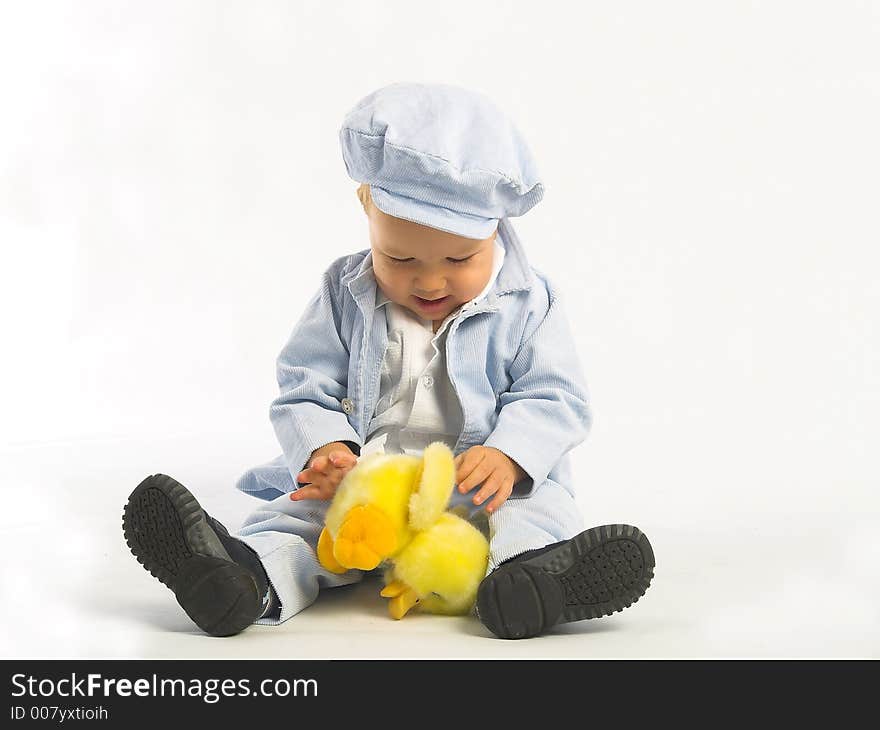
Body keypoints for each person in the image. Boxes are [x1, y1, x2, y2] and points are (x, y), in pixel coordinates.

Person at [123, 82, 655, 640]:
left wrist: (511, 455)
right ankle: (240, 577)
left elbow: (556, 396)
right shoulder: (344, 292)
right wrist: (327, 450)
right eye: (398, 257)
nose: (429, 281)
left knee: (535, 509)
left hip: (474, 488)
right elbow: (305, 385)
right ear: (365, 207)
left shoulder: (528, 303)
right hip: (368, 485)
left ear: (497, 228)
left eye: (460, 258)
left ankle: (530, 582)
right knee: (300, 517)